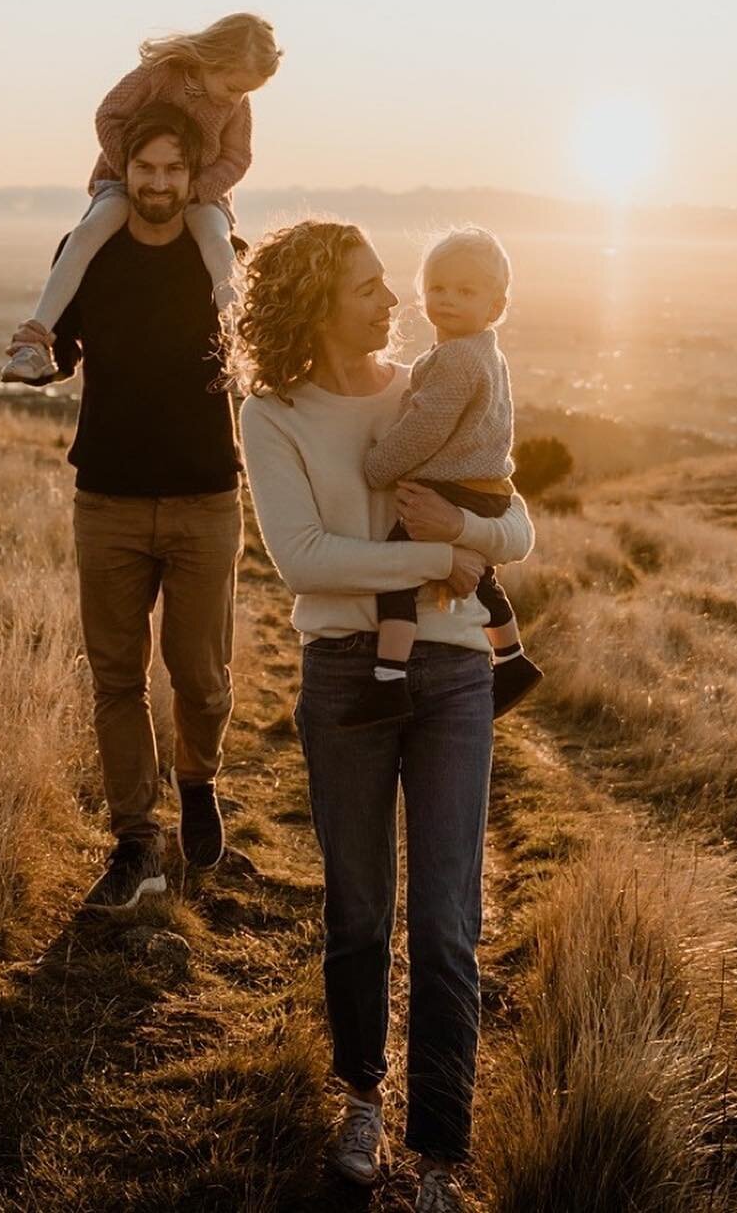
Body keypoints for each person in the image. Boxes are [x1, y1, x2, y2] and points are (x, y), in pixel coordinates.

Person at [235, 218, 534, 1213]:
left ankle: (441, 1155)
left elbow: (518, 525)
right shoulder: (272, 413)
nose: (393, 301)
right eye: (370, 286)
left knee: (447, 927)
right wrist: (437, 560)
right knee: (359, 915)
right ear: (319, 300)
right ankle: (362, 1097)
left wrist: (466, 532)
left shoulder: (433, 382)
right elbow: (305, 559)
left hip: (449, 676)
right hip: (342, 679)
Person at [7, 102, 243, 911]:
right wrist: (37, 365)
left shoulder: (222, 257)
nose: (158, 184)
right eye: (145, 168)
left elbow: (259, 353)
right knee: (117, 677)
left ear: (193, 175)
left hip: (205, 496)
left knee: (202, 677)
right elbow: (59, 354)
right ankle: (135, 840)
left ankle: (199, 780)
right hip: (105, 496)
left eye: (174, 169)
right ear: (122, 171)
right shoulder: (89, 250)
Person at [2, 11, 281, 383]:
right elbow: (108, 114)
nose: (237, 97)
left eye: (246, 92)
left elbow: (237, 157)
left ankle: (240, 346)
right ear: (214, 60)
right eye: (233, 87)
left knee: (218, 244)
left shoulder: (236, 104)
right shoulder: (160, 74)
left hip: (200, 190)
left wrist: (197, 189)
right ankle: (34, 343)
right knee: (86, 234)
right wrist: (132, 170)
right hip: (125, 179)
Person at [356, 225, 542, 726]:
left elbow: (425, 429)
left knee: (397, 570)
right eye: (437, 288)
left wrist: (379, 466)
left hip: (452, 486)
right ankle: (510, 657)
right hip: (487, 489)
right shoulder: (483, 351)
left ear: (495, 305)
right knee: (481, 575)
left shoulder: (458, 359)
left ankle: (389, 678)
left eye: (465, 291)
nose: (448, 299)